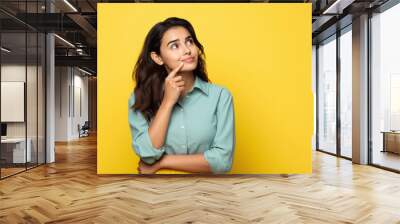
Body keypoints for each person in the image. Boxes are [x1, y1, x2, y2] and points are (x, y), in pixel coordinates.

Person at [128, 17, 235, 174]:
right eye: (175, 46)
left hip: (209, 193)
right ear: (157, 57)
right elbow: (148, 154)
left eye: (189, 41)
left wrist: (162, 162)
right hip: (157, 194)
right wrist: (167, 102)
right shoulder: (139, 99)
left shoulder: (220, 96)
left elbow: (222, 161)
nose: (187, 50)